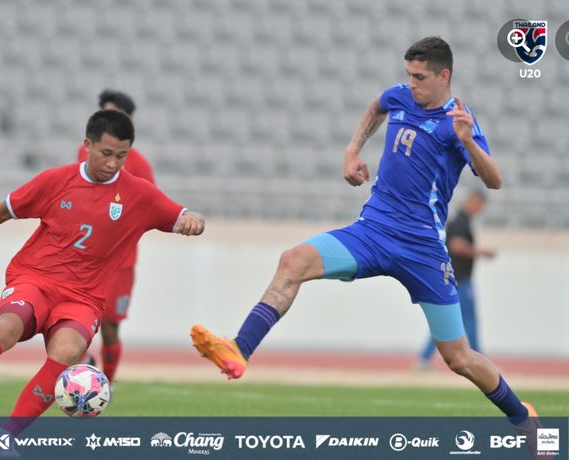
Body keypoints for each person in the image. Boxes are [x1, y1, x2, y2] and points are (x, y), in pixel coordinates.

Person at [191, 37, 540, 430]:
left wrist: (466, 143)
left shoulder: (458, 122)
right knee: (294, 260)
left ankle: (521, 416)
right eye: (408, 75)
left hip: (421, 247)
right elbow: (378, 106)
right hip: (372, 231)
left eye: (420, 77)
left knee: (458, 357)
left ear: (445, 76)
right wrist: (353, 148)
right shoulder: (400, 97)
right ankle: (240, 349)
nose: (411, 84)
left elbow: (494, 180)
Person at [0, 110, 204, 439]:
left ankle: (6, 435)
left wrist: (192, 220)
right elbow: (2, 210)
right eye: (106, 154)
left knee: (68, 352)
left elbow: (182, 214)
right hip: (35, 279)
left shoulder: (139, 194)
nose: (113, 164)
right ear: (88, 145)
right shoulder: (56, 180)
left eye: (122, 156)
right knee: (7, 327)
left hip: (84, 297)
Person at [76, 90, 155, 387]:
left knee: (109, 328)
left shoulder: (140, 165)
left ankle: (104, 385)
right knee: (70, 322)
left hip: (120, 262)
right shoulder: (84, 154)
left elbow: (151, 207)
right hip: (84, 259)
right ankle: (82, 367)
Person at [418, 190, 495, 367]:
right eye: (479, 203)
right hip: (461, 280)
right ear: (472, 201)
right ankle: (481, 361)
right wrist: (481, 252)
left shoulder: (461, 220)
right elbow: (457, 246)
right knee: (469, 320)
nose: (480, 208)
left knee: (446, 322)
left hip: (456, 280)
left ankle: (424, 358)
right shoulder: (460, 221)